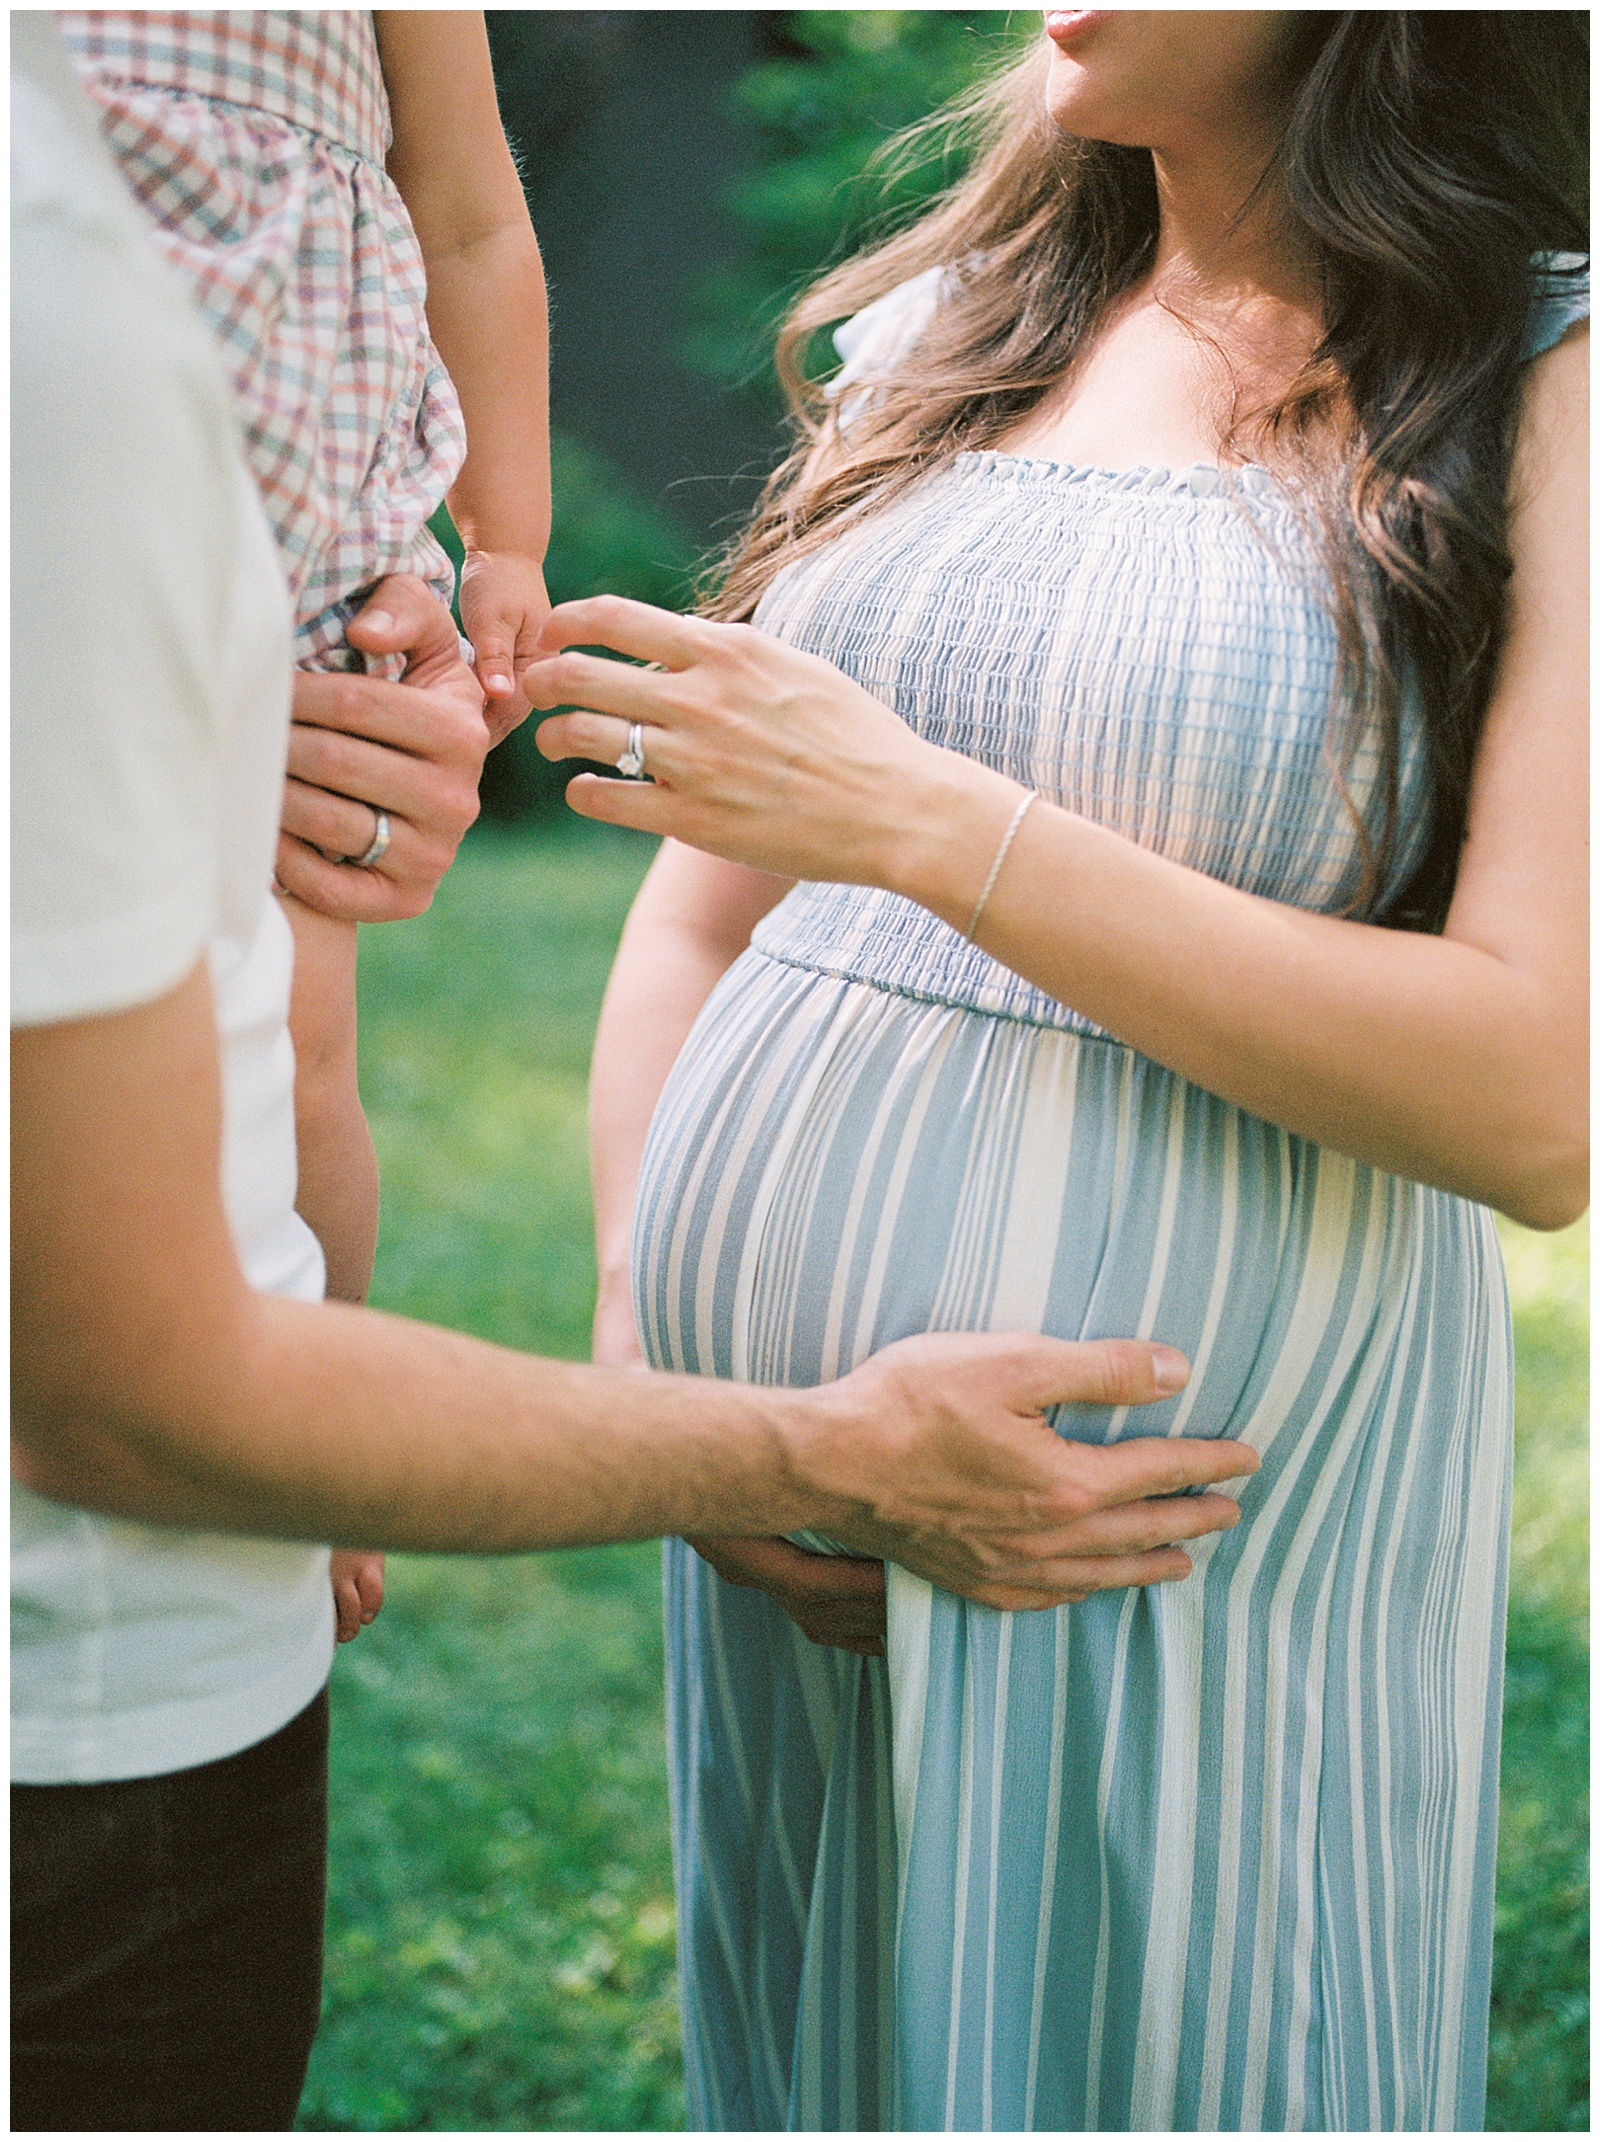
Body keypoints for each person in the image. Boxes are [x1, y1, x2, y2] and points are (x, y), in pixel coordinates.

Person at [9, 21, 1256, 2132]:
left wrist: (206, 729)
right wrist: (797, 1445)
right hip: (87, 1719)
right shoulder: (73, 334)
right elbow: (137, 1387)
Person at [528, 10, 1588, 2130]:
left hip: (1162, 1501)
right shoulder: (952, 324)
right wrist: (677, 1379)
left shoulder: (1542, 377)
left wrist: (935, 826)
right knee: (826, 2039)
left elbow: (1530, 1096)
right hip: (790, 1473)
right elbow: (707, 908)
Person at [58, 6, 555, 1636]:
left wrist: (506, 546)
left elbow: (469, 201)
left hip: (298, 517)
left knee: (297, 1046)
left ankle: (315, 1435)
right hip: (51, 476)